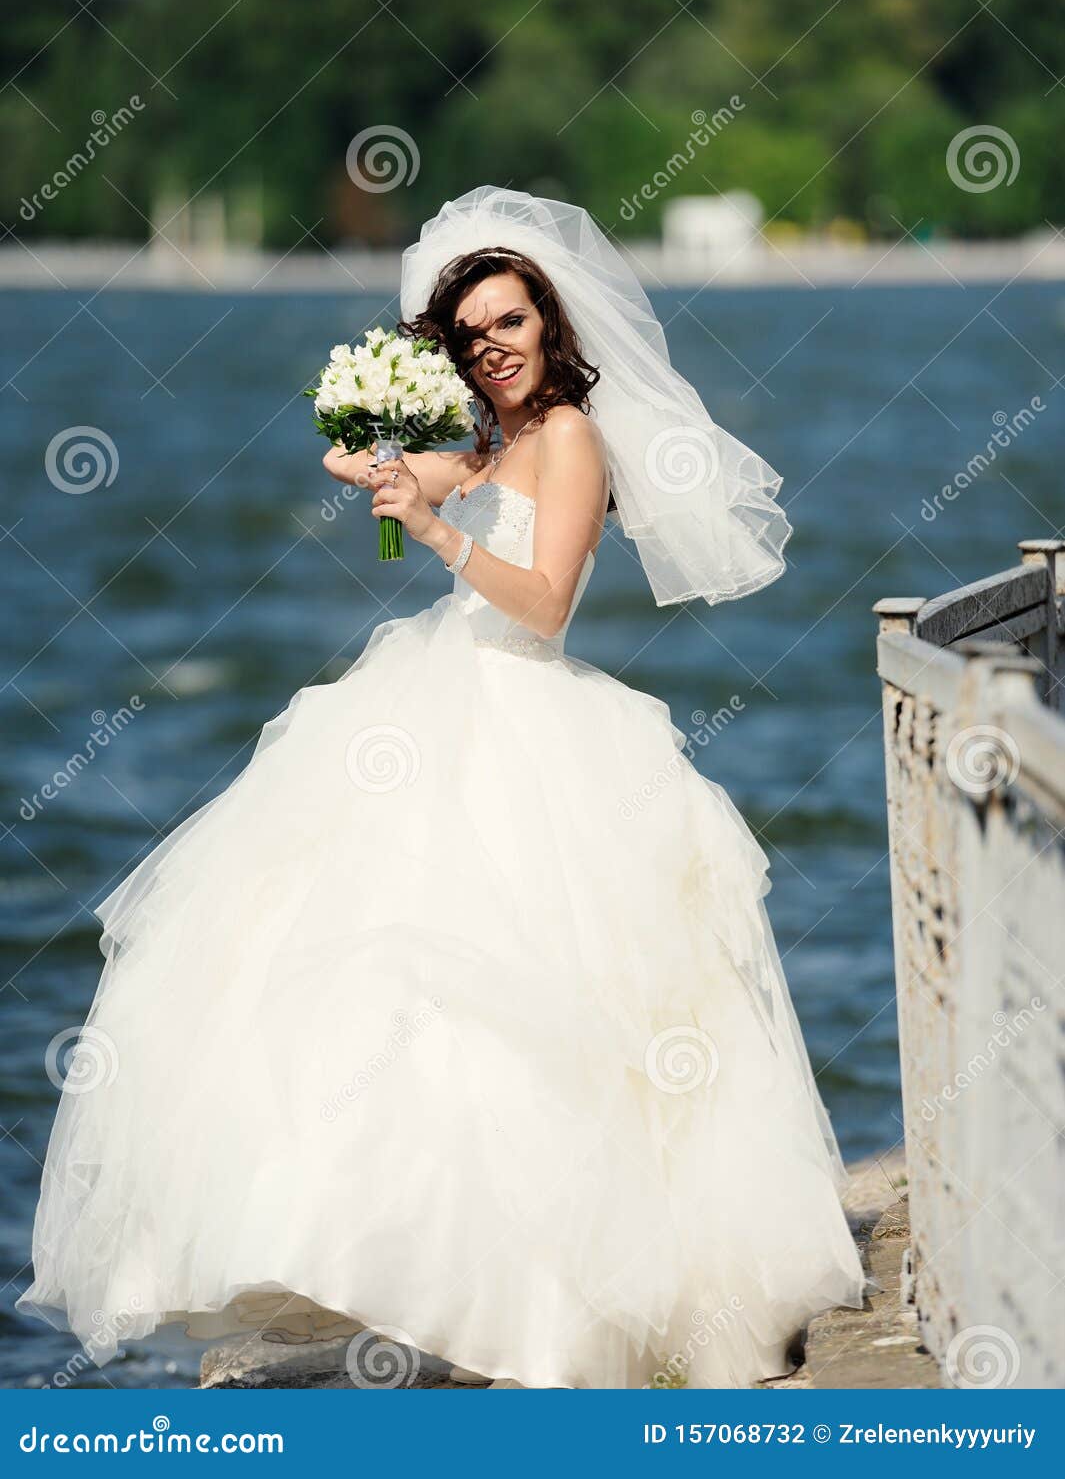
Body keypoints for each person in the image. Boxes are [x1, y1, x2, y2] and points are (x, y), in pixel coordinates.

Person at [18, 188, 864, 1389]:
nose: (496, 350)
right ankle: (409, 1264)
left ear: (551, 322)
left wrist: (433, 526)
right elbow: (364, 457)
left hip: (523, 703)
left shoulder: (567, 433)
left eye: (510, 323)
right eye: (471, 339)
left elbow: (548, 602)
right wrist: (377, 429)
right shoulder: (499, 439)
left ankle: (546, 1310)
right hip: (441, 688)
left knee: (520, 999)